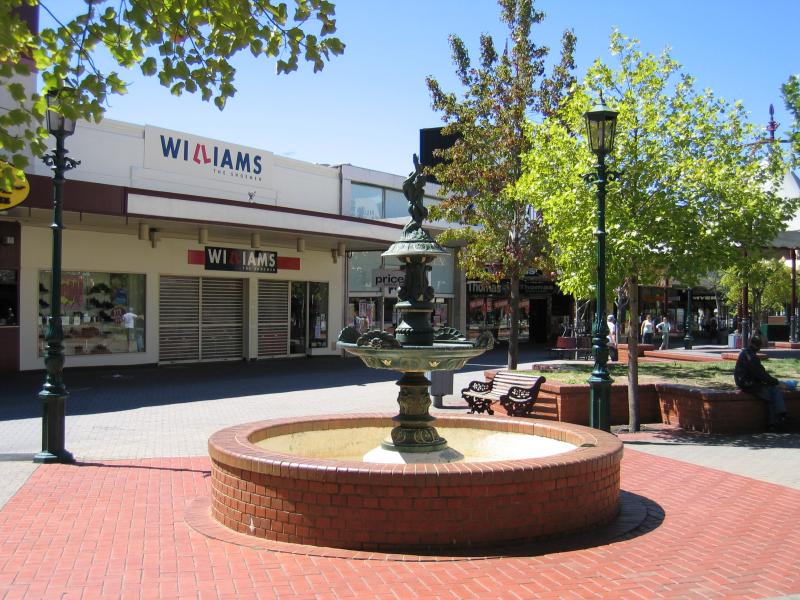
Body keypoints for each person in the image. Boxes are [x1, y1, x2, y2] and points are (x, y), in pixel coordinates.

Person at [734, 335, 788, 431]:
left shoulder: (746, 352)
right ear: (758, 345)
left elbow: (760, 373)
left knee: (772, 393)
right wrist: (776, 382)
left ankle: (776, 421)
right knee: (773, 394)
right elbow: (761, 374)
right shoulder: (751, 356)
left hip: (746, 382)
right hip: (749, 384)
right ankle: (780, 418)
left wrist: (773, 382)